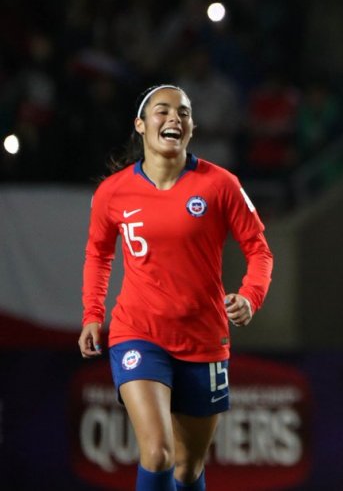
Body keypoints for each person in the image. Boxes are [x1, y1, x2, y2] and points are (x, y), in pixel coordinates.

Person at [78, 84, 273, 491]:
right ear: (141, 124)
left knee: (188, 467)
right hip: (139, 333)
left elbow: (260, 251)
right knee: (158, 453)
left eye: (183, 113)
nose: (174, 118)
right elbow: (99, 254)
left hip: (204, 339)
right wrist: (93, 315)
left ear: (192, 127)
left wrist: (250, 296)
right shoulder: (112, 192)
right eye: (162, 111)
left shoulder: (220, 185)